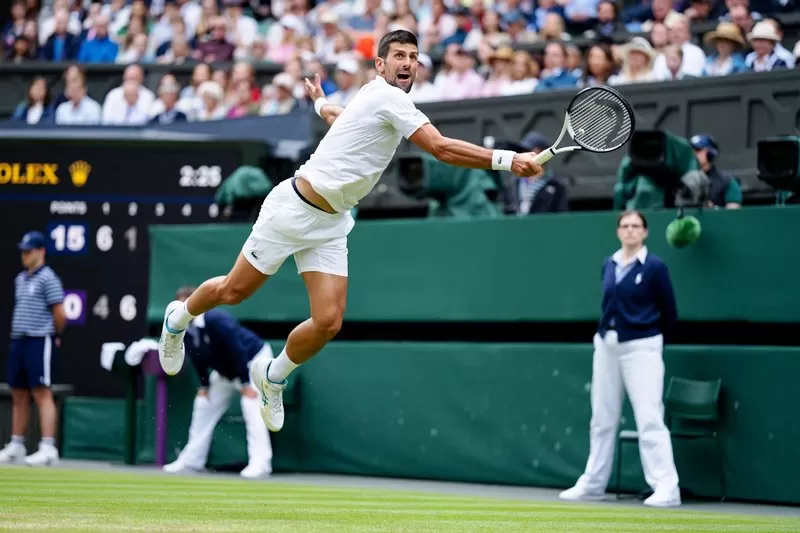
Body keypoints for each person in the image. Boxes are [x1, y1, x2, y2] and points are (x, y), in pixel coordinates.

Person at [157, 29, 544, 433]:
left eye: (413, 56)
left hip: (330, 223)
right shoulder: (387, 96)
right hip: (291, 210)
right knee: (234, 292)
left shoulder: (379, 100)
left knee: (328, 322)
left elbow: (342, 120)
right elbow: (441, 148)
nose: (407, 62)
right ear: (381, 65)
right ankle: (178, 320)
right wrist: (508, 159)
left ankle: (272, 377)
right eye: (398, 55)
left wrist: (321, 102)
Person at [559, 210, 681, 508]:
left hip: (642, 346)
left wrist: (649, 337)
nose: (629, 231)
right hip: (606, 345)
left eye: (635, 226)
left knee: (649, 417)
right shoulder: (609, 265)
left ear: (645, 232)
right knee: (601, 417)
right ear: (617, 232)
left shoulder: (654, 267)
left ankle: (667, 487)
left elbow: (670, 311)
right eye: (624, 226)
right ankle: (593, 483)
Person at [162, 286, 273, 479]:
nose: (183, 309)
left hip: (253, 362)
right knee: (203, 403)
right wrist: (205, 385)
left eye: (187, 303)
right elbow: (196, 358)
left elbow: (236, 348)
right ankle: (191, 461)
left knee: (251, 405)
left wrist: (246, 384)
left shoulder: (216, 319)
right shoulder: (184, 330)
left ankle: (261, 464)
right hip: (225, 372)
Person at [0, 231, 66, 466]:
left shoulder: (49, 278)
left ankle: (48, 448)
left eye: (29, 251)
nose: (25, 255)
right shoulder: (20, 279)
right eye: (23, 251)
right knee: (18, 392)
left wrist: (54, 334)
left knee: (41, 392)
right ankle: (17, 444)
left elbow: (60, 313)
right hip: (19, 340)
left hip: (40, 339)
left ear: (41, 251)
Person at [689, 134, 742, 209]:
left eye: (698, 150)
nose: (693, 154)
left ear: (710, 153)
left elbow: (732, 216)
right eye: (691, 151)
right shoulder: (680, 181)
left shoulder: (727, 182)